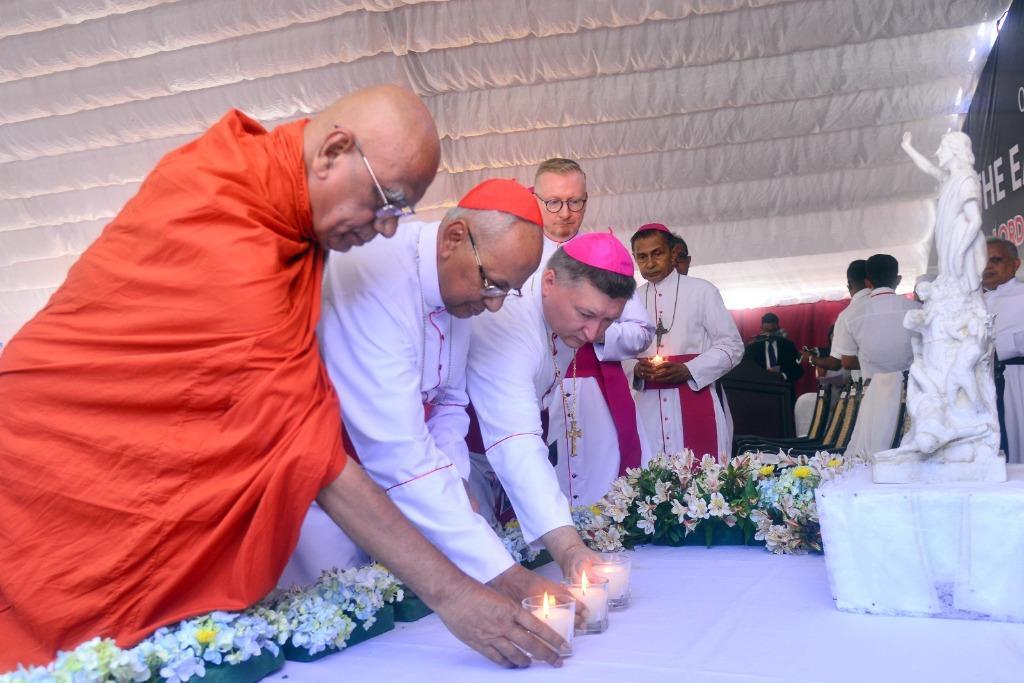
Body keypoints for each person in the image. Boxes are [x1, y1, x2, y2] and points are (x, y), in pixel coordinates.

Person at [0, 86, 564, 671]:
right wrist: (454, 595)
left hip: (135, 449)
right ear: (333, 152)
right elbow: (311, 452)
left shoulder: (283, 212)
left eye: (400, 213)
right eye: (386, 203)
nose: (386, 230)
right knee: (57, 636)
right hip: (57, 454)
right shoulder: (235, 230)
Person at [282, 179, 575, 610]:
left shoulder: (458, 287)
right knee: (347, 615)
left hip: (409, 478)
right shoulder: (376, 272)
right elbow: (397, 452)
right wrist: (505, 575)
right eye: (492, 284)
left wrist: (456, 479)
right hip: (329, 487)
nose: (494, 305)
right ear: (454, 237)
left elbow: (448, 402)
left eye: (507, 291)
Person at [466, 233, 637, 580]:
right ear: (549, 282)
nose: (593, 334)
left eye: (608, 321)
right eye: (585, 314)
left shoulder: (564, 320)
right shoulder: (508, 320)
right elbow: (515, 440)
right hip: (461, 455)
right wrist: (570, 549)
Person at [531, 158, 654, 506]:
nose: (565, 213)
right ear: (536, 199)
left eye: (575, 202)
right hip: (536, 386)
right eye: (553, 202)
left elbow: (642, 333)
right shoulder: (522, 253)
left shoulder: (606, 256)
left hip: (595, 390)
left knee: (606, 486)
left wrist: (593, 329)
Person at [631, 223, 744, 459]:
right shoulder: (631, 300)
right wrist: (635, 368)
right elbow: (619, 351)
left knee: (701, 472)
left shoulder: (702, 291)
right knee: (649, 472)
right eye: (642, 257)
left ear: (673, 254)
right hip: (647, 405)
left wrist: (689, 369)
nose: (650, 263)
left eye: (657, 253)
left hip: (695, 396)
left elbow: (732, 346)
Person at [841, 254, 921, 457]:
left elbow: (846, 361)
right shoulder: (917, 310)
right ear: (898, 279)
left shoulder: (851, 315)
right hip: (913, 400)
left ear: (868, 282)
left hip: (874, 399)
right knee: (913, 459)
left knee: (870, 459)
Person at [901, 131, 986, 295]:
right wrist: (907, 147)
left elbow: (975, 220)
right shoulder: (949, 179)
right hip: (949, 245)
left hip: (960, 246)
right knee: (953, 293)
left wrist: (959, 252)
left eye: (942, 148)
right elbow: (928, 167)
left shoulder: (966, 180)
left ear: (955, 150)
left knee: (964, 293)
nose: (938, 152)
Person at [983, 237, 1024, 462]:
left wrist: (1000, 346)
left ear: (1015, 264)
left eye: (996, 260)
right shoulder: (975, 300)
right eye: (983, 261)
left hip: (1017, 381)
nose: (987, 267)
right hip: (982, 387)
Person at [810, 259, 869, 377]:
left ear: (849, 285)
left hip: (867, 381)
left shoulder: (847, 316)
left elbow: (836, 364)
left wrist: (811, 358)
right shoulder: (895, 306)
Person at [743, 312, 804, 384]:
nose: (769, 334)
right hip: (759, 387)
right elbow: (746, 370)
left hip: (784, 387)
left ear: (778, 328)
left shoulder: (788, 346)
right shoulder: (752, 347)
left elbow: (798, 370)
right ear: (761, 329)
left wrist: (782, 375)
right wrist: (762, 375)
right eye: (766, 330)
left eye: (772, 331)